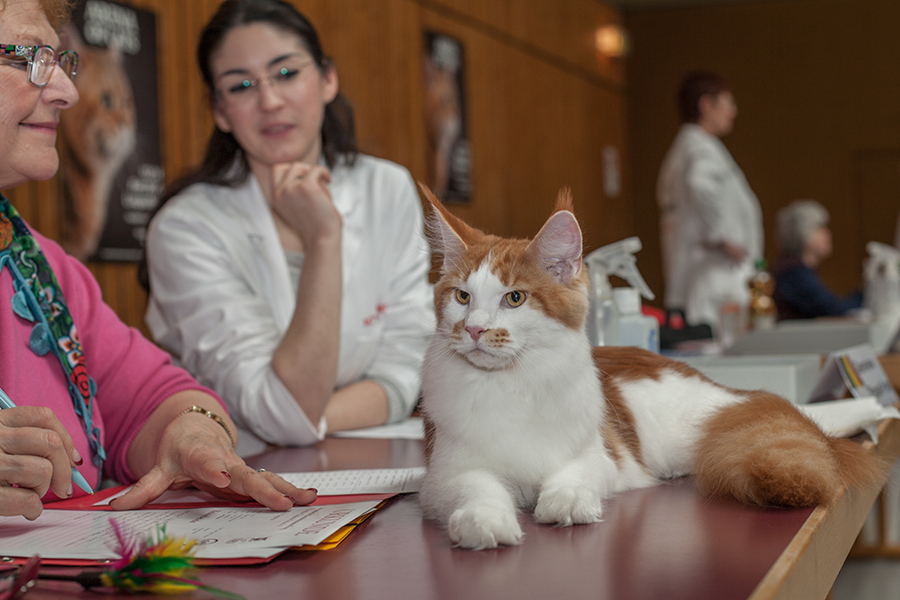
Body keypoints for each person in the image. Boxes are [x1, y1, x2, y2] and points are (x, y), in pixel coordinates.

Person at [0, 0, 316, 520]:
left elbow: (157, 394)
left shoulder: (42, 267)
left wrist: (191, 434)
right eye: (30, 59)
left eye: (59, 62)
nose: (67, 92)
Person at [143, 0, 434, 454]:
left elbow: (410, 362)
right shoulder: (185, 229)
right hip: (240, 475)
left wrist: (308, 419)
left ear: (328, 79)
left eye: (286, 73)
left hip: (364, 461)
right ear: (220, 111)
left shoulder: (386, 188)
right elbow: (280, 411)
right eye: (240, 86)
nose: (270, 102)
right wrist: (323, 239)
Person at [656, 70, 764, 330]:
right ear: (706, 105)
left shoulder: (690, 146)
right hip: (714, 274)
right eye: (729, 103)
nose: (733, 111)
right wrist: (723, 236)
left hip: (712, 272)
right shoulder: (698, 146)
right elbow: (700, 184)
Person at [772, 199, 862, 320]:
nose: (828, 233)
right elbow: (833, 310)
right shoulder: (793, 273)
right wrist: (866, 294)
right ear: (804, 235)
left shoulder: (794, 269)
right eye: (820, 228)